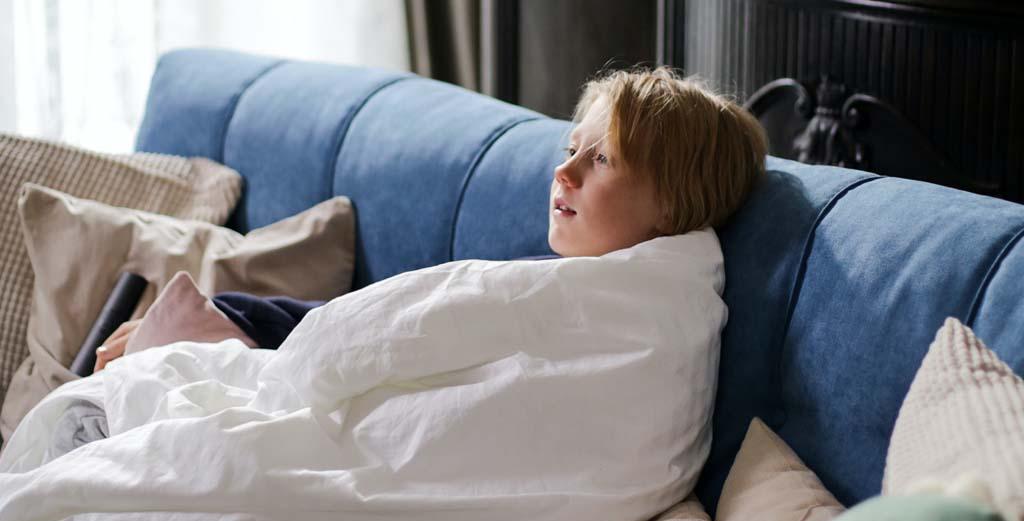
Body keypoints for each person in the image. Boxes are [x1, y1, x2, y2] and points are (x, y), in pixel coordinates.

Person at [93, 65, 768, 372]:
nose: (563, 174)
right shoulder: (535, 284)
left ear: (674, 204)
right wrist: (233, 317)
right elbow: (380, 324)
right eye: (570, 151)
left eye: (605, 160)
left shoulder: (615, 316)